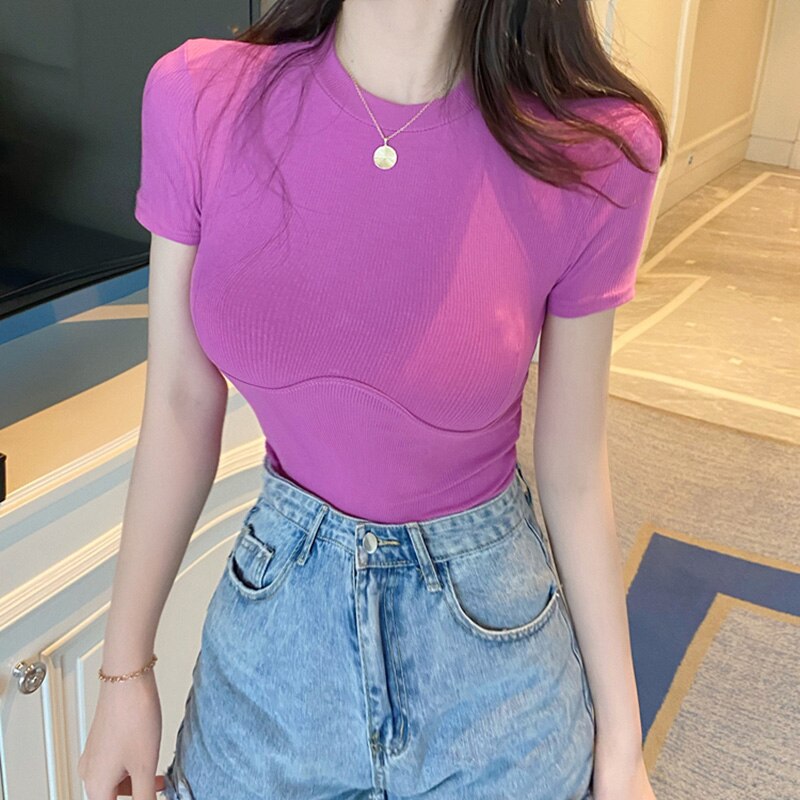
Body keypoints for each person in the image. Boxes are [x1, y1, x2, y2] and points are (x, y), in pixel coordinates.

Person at [79, 1, 669, 798]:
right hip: (274, 649)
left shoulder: (591, 152)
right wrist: (124, 674)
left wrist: (623, 742)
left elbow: (573, 468)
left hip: (492, 663)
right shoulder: (199, 98)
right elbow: (182, 405)